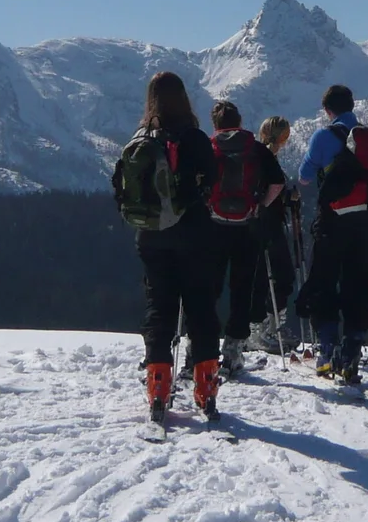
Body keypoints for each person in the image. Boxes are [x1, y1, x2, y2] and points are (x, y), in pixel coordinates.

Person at [121, 71, 224, 422]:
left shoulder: (141, 138)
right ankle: (206, 386)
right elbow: (212, 179)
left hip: (151, 236)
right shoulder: (195, 138)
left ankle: (158, 385)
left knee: (159, 307)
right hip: (194, 232)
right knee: (201, 307)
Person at [295, 84, 368, 383]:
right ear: (352, 106)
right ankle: (352, 349)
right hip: (366, 223)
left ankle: (328, 347)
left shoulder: (325, 135)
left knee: (323, 280)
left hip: (333, 221)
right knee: (358, 282)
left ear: (327, 110)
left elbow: (305, 177)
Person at [206, 100, 285, 376]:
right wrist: (260, 205)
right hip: (247, 227)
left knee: (208, 289)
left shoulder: (208, 147)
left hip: (213, 227)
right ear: (239, 122)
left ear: (215, 124)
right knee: (241, 290)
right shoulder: (256, 148)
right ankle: (233, 353)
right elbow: (277, 182)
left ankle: (201, 351)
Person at [251, 116, 298, 351]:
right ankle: (268, 327)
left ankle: (260, 327)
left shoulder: (256, 155)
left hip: (256, 223)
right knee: (280, 274)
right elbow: (273, 187)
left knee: (261, 275)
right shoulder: (267, 157)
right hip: (267, 224)